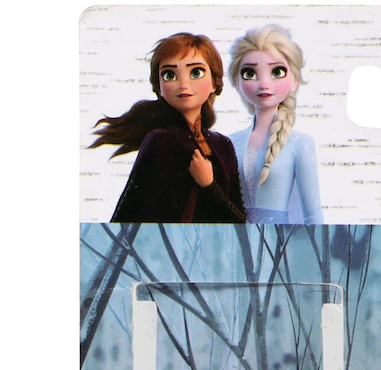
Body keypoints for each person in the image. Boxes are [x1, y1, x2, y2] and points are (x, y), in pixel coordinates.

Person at [90, 32, 245, 223]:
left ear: (214, 82)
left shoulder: (223, 145)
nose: (183, 84)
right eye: (170, 75)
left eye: (196, 73)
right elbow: (136, 211)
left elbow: (240, 220)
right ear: (159, 87)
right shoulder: (161, 140)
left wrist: (209, 185)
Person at [228, 25, 322, 224]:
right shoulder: (230, 143)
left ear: (294, 80)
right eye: (250, 73)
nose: (264, 84)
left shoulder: (300, 144)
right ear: (237, 82)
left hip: (279, 240)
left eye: (277, 71)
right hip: (236, 239)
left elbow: (313, 215)